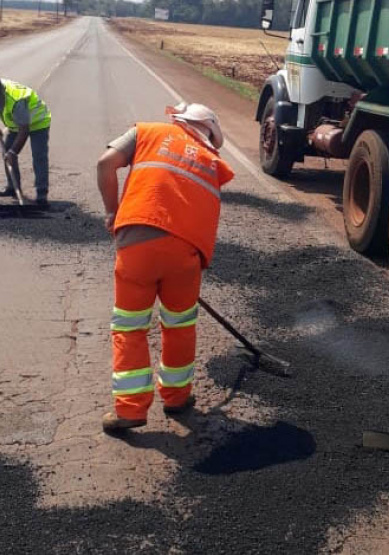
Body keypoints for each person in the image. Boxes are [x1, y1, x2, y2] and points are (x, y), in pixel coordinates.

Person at [95, 103, 235, 432]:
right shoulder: (212, 162)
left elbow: (105, 164)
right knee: (180, 326)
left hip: (138, 246)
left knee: (130, 328)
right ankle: (176, 398)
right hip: (187, 254)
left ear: (179, 120)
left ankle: (130, 410)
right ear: (208, 137)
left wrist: (111, 212)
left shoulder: (147, 132)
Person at [0, 76, 52, 208]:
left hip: (38, 122)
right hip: (16, 124)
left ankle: (41, 195)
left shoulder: (16, 100)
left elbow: (24, 130)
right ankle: (13, 187)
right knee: (6, 152)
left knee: (39, 157)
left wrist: (13, 152)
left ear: (2, 92)